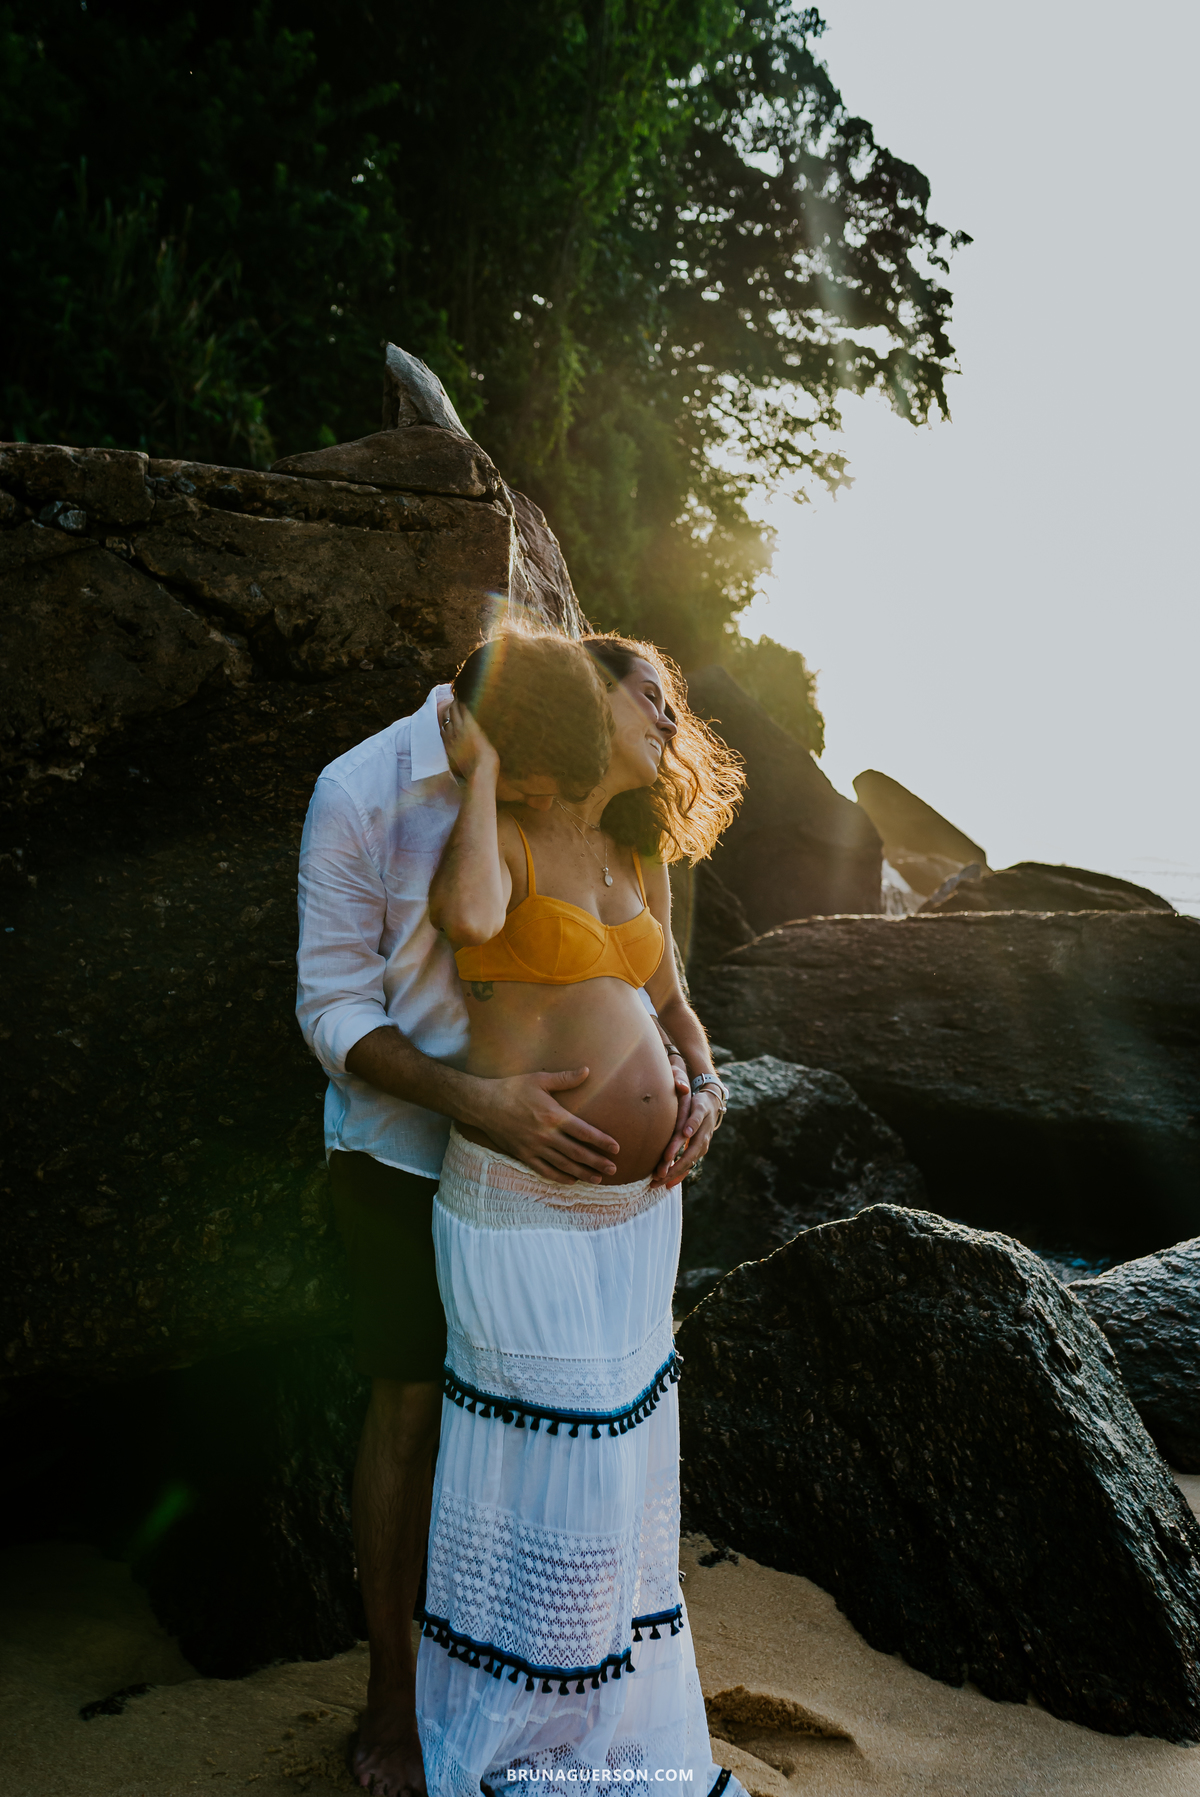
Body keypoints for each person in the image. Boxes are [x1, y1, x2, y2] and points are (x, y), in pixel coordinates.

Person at [295, 638, 710, 1797]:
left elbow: (658, 986)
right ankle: (396, 1704)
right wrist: (476, 1103)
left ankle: (568, 1703)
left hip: (585, 1189)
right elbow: (329, 1004)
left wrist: (700, 1087)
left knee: (567, 1450)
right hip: (404, 1143)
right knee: (413, 1409)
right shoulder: (362, 791)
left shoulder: (578, 791)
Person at [416, 628, 746, 1797]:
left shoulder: (635, 854)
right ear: (583, 704)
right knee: (548, 1482)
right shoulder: (500, 829)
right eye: (648, 698)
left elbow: (678, 1007)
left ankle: (603, 1728)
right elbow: (464, 921)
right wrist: (487, 772)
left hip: (636, 1218)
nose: (668, 720)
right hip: (524, 1207)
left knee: (616, 1494)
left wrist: (705, 1088)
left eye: (673, 704)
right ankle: (516, 1743)